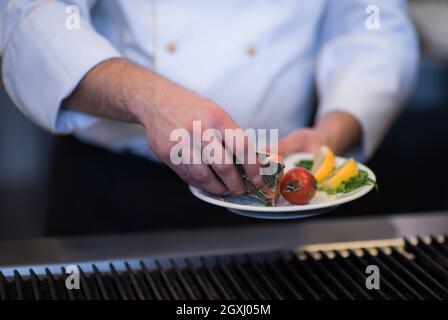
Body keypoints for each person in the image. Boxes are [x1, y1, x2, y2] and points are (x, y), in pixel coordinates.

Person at [0, 0, 419, 235]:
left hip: (279, 195)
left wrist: (334, 129)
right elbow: (33, 13)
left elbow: (372, 23)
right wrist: (148, 97)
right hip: (117, 197)